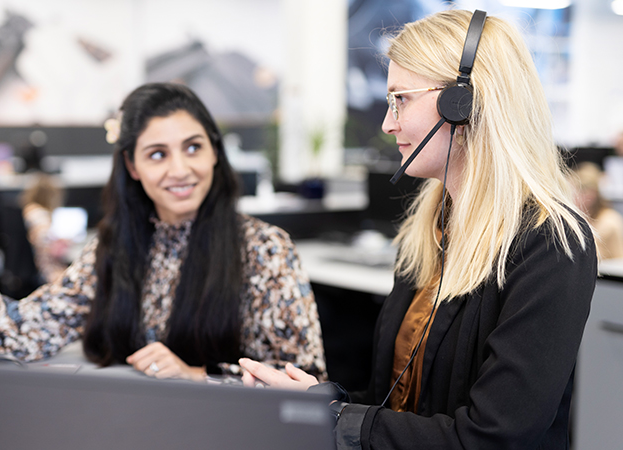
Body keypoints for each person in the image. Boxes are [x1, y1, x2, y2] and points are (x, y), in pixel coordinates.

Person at [239, 9, 596, 449]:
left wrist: (337, 420)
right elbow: (401, 405)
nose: (388, 124)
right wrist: (316, 405)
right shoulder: (429, 230)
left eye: (400, 99)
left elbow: (492, 436)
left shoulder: (551, 243)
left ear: (462, 103)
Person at [0, 83, 327, 382]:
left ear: (214, 153)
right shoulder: (114, 245)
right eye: (157, 154)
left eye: (192, 147)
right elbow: (21, 334)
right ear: (132, 166)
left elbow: (305, 381)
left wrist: (199, 376)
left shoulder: (264, 248)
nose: (181, 169)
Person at [19, 172, 70, 283]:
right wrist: (59, 245)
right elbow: (44, 243)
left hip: (32, 269)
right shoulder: (40, 215)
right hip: (45, 272)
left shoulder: (28, 211)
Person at [573, 161, 623, 259]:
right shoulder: (580, 217)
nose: (573, 197)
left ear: (591, 195)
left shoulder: (609, 221)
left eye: (578, 192)